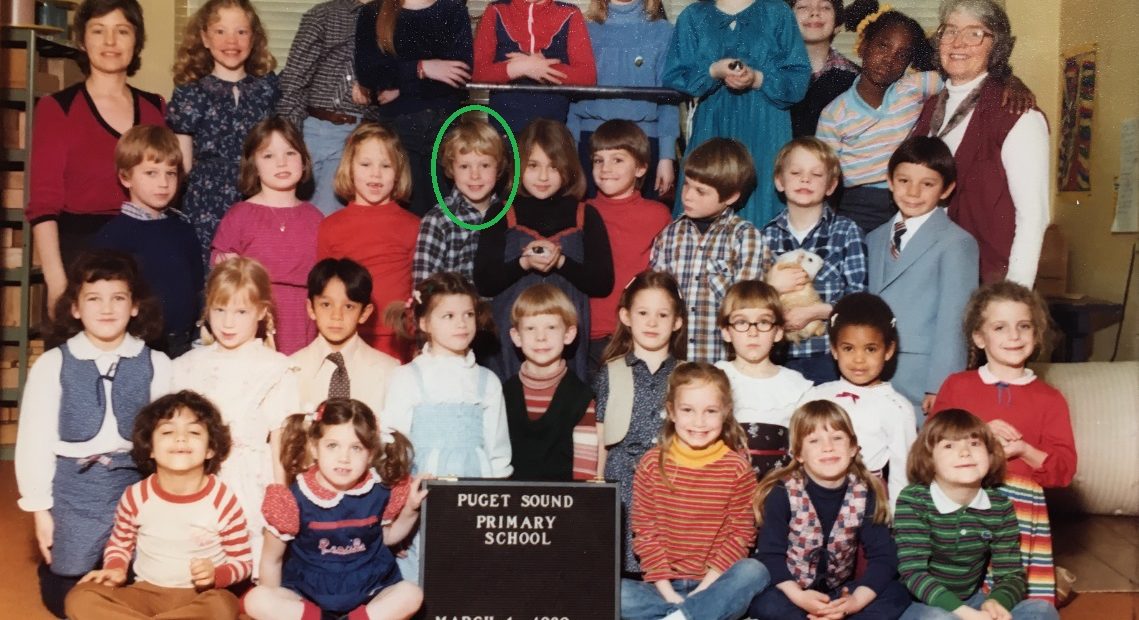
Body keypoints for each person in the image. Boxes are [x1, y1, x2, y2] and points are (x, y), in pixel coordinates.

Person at [15, 249, 170, 617]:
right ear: (74, 308)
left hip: (134, 491)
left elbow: (167, 440)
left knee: (141, 579)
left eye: (118, 298)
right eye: (93, 299)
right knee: (67, 591)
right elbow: (34, 440)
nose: (106, 309)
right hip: (74, 493)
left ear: (135, 306)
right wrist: (41, 510)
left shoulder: (156, 363)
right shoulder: (53, 364)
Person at [933, 282, 1077, 606]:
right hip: (964, 509)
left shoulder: (1050, 399)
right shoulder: (957, 386)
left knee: (1017, 603)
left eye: (1023, 326)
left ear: (1036, 334)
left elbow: (1064, 471)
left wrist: (1025, 450)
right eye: (1000, 327)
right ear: (979, 337)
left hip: (1022, 517)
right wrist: (978, 434)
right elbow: (931, 444)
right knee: (961, 599)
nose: (1014, 336)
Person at [28, 0, 166, 317]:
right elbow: (43, 206)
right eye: (98, 30)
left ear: (137, 40)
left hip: (143, 255)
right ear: (81, 39)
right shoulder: (56, 108)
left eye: (122, 31)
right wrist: (58, 283)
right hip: (80, 258)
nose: (110, 42)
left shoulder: (155, 108)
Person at [63, 391, 249, 620]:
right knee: (80, 597)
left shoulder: (223, 499)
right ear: (149, 447)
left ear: (210, 449)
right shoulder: (136, 495)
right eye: (168, 431)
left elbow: (242, 562)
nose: (181, 438)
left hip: (200, 597)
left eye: (193, 432)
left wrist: (216, 575)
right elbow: (120, 543)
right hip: (145, 594)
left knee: (223, 605)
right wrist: (116, 569)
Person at [382, 272, 512, 584]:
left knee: (468, 581)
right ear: (424, 323)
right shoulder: (407, 377)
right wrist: (396, 516)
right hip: (423, 499)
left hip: (474, 497)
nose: (462, 324)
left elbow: (498, 456)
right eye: (449, 316)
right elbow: (391, 452)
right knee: (418, 578)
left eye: (468, 314)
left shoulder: (487, 381)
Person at [172, 257, 300, 572]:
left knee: (249, 565)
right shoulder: (187, 365)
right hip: (198, 475)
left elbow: (279, 439)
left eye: (241, 312)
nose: (228, 323)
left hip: (250, 479)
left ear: (261, 312)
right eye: (220, 310)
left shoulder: (275, 368)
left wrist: (280, 493)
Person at [244, 399, 425, 619]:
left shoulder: (379, 491)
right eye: (332, 445)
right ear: (314, 447)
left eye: (356, 448)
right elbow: (272, 560)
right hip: (307, 593)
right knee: (257, 600)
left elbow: (388, 537)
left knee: (411, 594)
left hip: (368, 590)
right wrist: (273, 603)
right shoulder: (292, 499)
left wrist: (411, 509)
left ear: (370, 454)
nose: (344, 458)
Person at [912, 0, 1050, 285]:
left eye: (974, 33)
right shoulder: (929, 109)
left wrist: (1014, 296)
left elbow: (1033, 217)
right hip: (930, 274)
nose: (957, 42)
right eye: (949, 31)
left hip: (986, 282)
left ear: (996, 45)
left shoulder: (1015, 113)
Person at [621, 362, 767, 620]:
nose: (699, 422)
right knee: (614, 592)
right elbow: (645, 532)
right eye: (688, 410)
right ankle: (689, 615)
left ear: (726, 413)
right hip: (662, 587)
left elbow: (740, 535)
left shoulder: (737, 468)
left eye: (710, 411)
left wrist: (703, 593)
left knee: (755, 571)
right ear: (672, 412)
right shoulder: (652, 464)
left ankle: (680, 617)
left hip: (715, 585)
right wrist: (669, 594)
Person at [473, 119, 614, 380]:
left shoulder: (586, 214)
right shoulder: (501, 211)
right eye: (534, 165)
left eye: (553, 167)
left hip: (566, 342)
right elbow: (484, 281)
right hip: (509, 339)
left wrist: (562, 262)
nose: (543, 177)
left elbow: (602, 281)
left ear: (568, 168)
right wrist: (522, 264)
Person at [749, 400, 911, 619]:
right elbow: (770, 555)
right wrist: (800, 597)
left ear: (853, 447)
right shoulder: (782, 492)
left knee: (898, 593)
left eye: (837, 438)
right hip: (791, 591)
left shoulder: (865, 491)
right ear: (798, 454)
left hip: (839, 594)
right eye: (814, 441)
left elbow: (883, 556)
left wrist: (854, 602)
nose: (828, 447)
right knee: (765, 603)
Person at [896, 409, 1060, 620]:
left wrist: (996, 602)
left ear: (991, 456)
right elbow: (913, 574)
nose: (965, 452)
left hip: (973, 600)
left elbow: (1011, 575)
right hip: (918, 602)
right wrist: (965, 614)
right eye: (949, 445)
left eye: (974, 444)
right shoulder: (914, 500)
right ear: (928, 460)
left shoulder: (1000, 505)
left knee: (1042, 611)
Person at [662, 0, 809, 227]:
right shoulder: (693, 16)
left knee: (764, 204)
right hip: (713, 124)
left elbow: (798, 78)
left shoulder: (777, 12)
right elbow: (675, 76)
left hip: (765, 127)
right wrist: (713, 71)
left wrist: (758, 79)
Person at [867, 136, 978, 415]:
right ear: (890, 181)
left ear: (946, 189)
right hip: (870, 371)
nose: (913, 192)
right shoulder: (873, 238)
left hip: (922, 379)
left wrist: (941, 383)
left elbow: (955, 319)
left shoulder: (956, 242)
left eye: (927, 184)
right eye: (904, 181)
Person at [167, 0, 278, 264]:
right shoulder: (190, 92)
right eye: (220, 31)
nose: (232, 41)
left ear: (254, 38)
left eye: (241, 31)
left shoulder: (269, 88)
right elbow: (183, 164)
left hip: (258, 194)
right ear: (205, 38)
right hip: (206, 200)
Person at [593, 270, 686, 575]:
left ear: (677, 322)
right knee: (620, 562)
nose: (652, 322)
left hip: (671, 480)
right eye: (643, 313)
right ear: (626, 316)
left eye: (662, 315)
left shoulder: (687, 375)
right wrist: (596, 485)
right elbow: (601, 433)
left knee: (666, 561)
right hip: (622, 479)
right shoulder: (611, 372)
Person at [815, 3, 939, 233]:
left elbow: (963, 79)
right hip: (857, 204)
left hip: (908, 197)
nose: (889, 59)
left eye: (901, 55)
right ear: (863, 46)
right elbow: (824, 176)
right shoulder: (834, 114)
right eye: (883, 46)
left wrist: (1007, 80)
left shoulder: (912, 88)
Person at [210, 116, 324, 355]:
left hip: (304, 321)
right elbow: (224, 284)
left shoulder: (315, 217)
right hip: (254, 321)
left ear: (304, 161)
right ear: (254, 165)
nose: (281, 162)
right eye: (268, 155)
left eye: (290, 153)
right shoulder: (239, 216)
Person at [648, 137, 764, 364]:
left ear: (731, 196)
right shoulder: (669, 236)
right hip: (673, 362)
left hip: (722, 363)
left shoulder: (745, 237)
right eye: (687, 185)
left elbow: (747, 307)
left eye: (701, 191)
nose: (688, 196)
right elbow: (655, 296)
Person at [761, 137, 867, 384]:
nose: (805, 179)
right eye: (796, 172)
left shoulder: (846, 232)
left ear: (831, 185)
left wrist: (814, 312)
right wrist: (772, 288)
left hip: (826, 356)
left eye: (816, 174)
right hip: (775, 355)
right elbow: (749, 300)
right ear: (779, 181)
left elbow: (858, 300)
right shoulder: (764, 236)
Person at [91, 125, 203, 358]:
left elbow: (198, 288)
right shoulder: (112, 236)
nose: (163, 183)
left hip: (183, 345)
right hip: (135, 347)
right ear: (125, 177)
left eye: (170, 173)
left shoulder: (183, 228)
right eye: (151, 173)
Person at [354, 0, 473, 217]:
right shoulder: (373, 12)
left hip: (443, 130)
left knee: (444, 214)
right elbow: (368, 72)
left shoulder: (453, 9)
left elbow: (460, 73)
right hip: (398, 131)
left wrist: (401, 87)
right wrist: (423, 68)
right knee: (401, 213)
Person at [800, 292, 916, 508]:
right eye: (848, 348)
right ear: (834, 350)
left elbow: (903, 473)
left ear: (888, 350)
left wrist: (897, 521)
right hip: (815, 498)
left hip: (868, 501)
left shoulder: (897, 407)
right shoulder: (815, 395)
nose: (859, 359)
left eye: (870, 349)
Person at [316, 123, 420, 361]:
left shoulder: (413, 225)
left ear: (398, 171)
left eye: (386, 166)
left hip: (396, 340)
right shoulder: (330, 226)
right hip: (345, 337)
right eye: (365, 164)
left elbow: (419, 290)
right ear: (349, 168)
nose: (376, 174)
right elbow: (321, 292)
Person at [583, 120, 672, 375]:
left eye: (617, 160)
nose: (605, 168)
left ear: (642, 168)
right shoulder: (582, 211)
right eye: (598, 160)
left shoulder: (657, 214)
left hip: (637, 335)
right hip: (589, 335)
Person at [567, 0, 677, 200]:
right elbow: (573, 99)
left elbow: (668, 99)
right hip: (591, 141)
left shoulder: (664, 31)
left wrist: (666, 157)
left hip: (644, 141)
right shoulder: (584, 29)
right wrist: (571, 153)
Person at [276, 0, 374, 215]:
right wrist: (289, 141)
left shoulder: (395, 20)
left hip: (356, 135)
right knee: (296, 214)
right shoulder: (322, 15)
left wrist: (373, 84)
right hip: (311, 130)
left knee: (329, 216)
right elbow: (295, 80)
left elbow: (402, 82)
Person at [714, 280, 812, 479]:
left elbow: (807, 447)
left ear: (778, 332)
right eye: (741, 322)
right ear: (726, 331)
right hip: (723, 487)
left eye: (764, 322)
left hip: (778, 491)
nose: (753, 332)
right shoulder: (715, 378)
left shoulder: (796, 386)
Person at [504, 284, 598, 481]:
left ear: (569, 334)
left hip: (563, 506)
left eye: (551, 327)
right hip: (508, 505)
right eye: (530, 328)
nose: (541, 337)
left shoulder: (581, 398)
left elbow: (585, 474)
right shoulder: (501, 394)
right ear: (516, 337)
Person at [291, 258, 400, 416]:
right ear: (311, 308)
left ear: (364, 313)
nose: (337, 316)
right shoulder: (291, 369)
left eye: (349, 307)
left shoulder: (389, 371)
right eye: (326, 305)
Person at [472, 0, 597, 133]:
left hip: (552, 125)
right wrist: (519, 67)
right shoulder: (496, 10)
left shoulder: (570, 12)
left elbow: (587, 76)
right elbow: (477, 71)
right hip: (504, 124)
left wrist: (542, 68)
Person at [413, 119, 507, 286]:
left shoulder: (509, 216)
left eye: (484, 165)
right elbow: (424, 288)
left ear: (498, 167)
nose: (475, 175)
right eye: (464, 166)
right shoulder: (438, 220)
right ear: (451, 168)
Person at [785, 0, 860, 138]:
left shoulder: (855, 79)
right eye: (803, 7)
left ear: (837, 25)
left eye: (825, 7)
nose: (815, 12)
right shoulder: (769, 73)